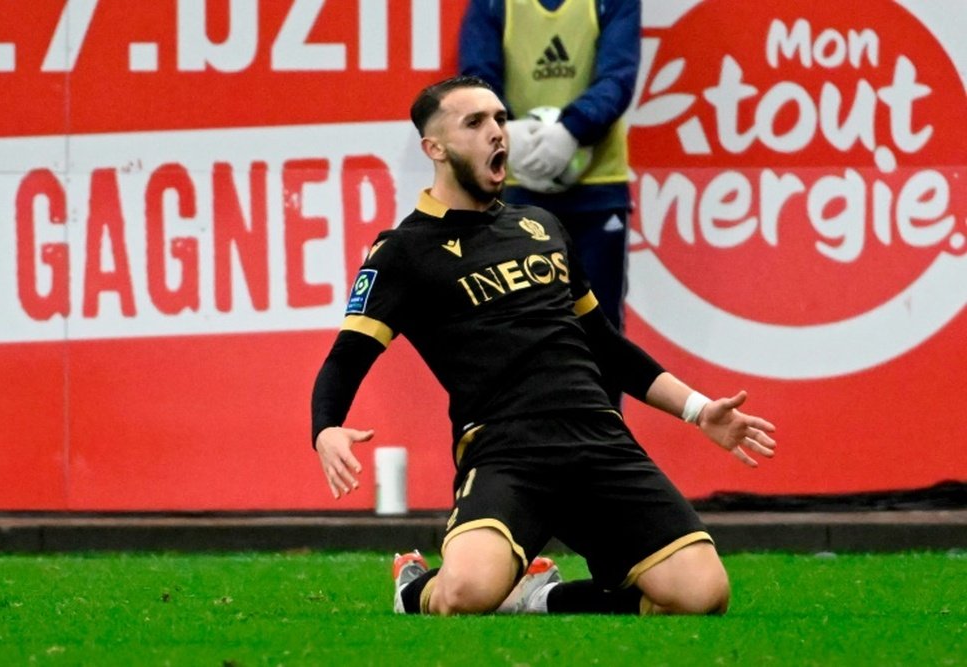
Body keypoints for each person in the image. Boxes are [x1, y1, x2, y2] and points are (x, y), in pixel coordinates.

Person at [311, 75, 777, 616]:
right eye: (475, 122)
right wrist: (326, 429)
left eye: (500, 119)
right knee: (465, 595)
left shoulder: (541, 225)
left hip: (598, 438)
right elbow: (346, 357)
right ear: (433, 149)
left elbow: (604, 344)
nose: (496, 133)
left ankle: (542, 596)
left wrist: (698, 411)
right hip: (507, 450)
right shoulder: (402, 251)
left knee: (703, 595)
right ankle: (413, 589)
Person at [458, 0, 641, 339]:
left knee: (601, 335)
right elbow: (476, 76)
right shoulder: (491, 4)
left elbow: (618, 75)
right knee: (518, 330)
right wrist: (504, 130)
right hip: (514, 190)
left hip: (597, 190)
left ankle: (597, 397)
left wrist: (572, 129)